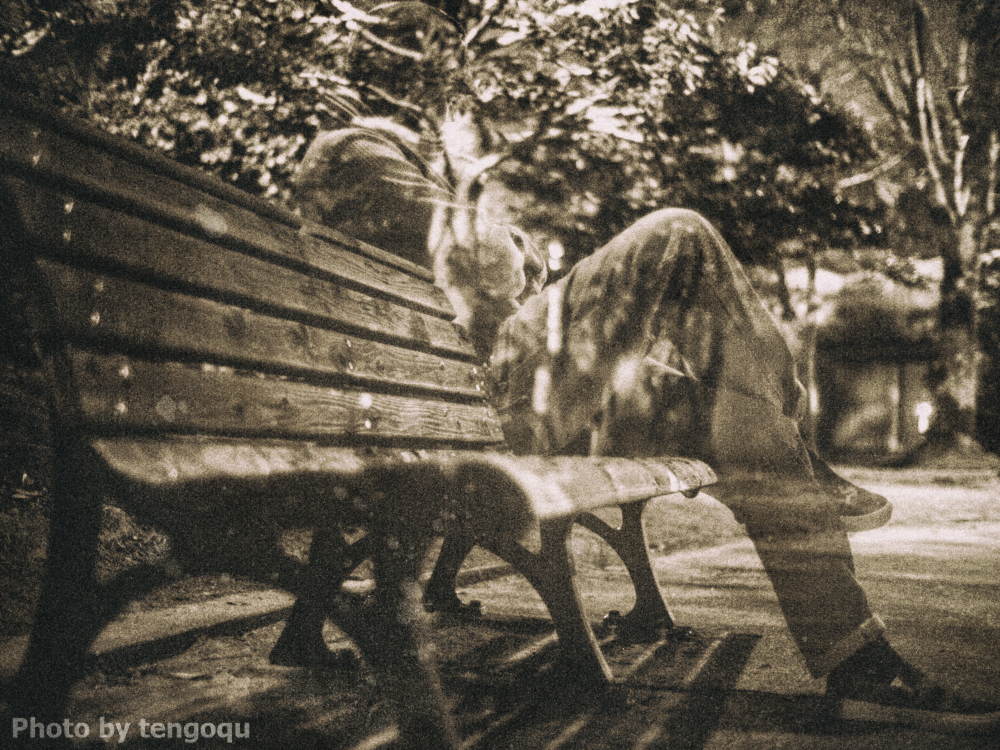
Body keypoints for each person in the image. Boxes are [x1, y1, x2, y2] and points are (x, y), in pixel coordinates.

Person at [286, 109, 1000, 734]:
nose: (423, 144)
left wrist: (512, 249)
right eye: (416, 142)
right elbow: (498, 264)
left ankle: (857, 658)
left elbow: (500, 267)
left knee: (733, 422)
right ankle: (805, 458)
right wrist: (499, 221)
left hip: (495, 390)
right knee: (677, 234)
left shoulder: (396, 173)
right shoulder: (352, 149)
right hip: (486, 394)